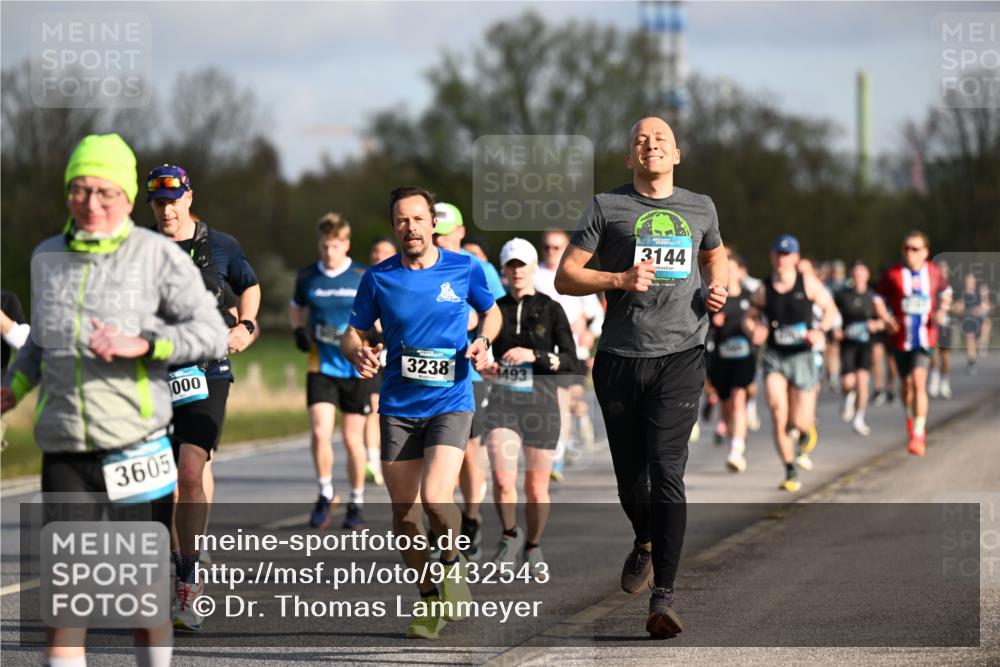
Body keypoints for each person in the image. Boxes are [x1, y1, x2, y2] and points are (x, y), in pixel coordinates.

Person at [1, 133, 228, 667]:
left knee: (142, 604)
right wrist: (14, 386)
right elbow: (42, 339)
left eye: (105, 191)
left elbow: (211, 333)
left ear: (127, 197)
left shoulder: (155, 255)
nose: (92, 202)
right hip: (65, 448)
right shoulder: (47, 255)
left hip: (138, 448)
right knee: (65, 606)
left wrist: (146, 344)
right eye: (80, 190)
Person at [555, 117, 728, 639]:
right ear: (630, 158)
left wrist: (717, 288)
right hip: (621, 357)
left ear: (677, 154)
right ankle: (645, 539)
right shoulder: (607, 207)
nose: (650, 145)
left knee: (667, 469)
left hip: (682, 355)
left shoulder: (701, 206)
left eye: (660, 140)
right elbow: (567, 275)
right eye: (640, 141)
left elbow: (715, 254)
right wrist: (619, 278)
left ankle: (666, 596)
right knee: (632, 480)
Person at [342, 186, 501, 639]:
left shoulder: (463, 267)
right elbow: (352, 333)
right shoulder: (378, 278)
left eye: (418, 219)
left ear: (433, 223)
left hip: (450, 400)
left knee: (436, 498)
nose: (410, 228)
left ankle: (452, 562)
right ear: (394, 227)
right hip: (397, 406)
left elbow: (491, 315)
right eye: (401, 221)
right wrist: (359, 353)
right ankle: (429, 598)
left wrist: (484, 342)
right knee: (405, 516)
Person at [146, 164, 261, 632]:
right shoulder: (139, 249)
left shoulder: (221, 245)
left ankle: (187, 585)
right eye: (158, 200)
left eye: (173, 198)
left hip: (207, 371)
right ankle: (178, 561)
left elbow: (249, 286)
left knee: (190, 468)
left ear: (189, 198)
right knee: (162, 485)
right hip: (153, 375)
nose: (166, 207)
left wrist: (246, 327)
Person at [482, 238, 576, 576]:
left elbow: (570, 361)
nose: (517, 271)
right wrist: (487, 368)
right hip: (504, 403)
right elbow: (482, 351)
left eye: (522, 265)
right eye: (511, 266)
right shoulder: (494, 309)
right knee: (504, 479)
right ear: (504, 271)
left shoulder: (551, 308)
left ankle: (533, 544)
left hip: (541, 404)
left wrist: (532, 355)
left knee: (536, 490)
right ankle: (509, 535)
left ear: (534, 268)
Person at [432, 202, 507, 560]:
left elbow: (498, 313)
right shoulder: (421, 266)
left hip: (469, 373)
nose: (439, 240)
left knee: (467, 453)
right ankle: (442, 522)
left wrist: (484, 340)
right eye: (435, 234)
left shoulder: (480, 268)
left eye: (445, 233)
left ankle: (471, 520)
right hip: (427, 373)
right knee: (434, 455)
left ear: (461, 232)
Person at [290, 213, 370, 531]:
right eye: (324, 245)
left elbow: (376, 312)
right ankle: (325, 492)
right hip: (320, 364)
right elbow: (296, 305)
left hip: (355, 366)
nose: (329, 252)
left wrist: (377, 337)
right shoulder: (308, 276)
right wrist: (297, 328)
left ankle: (357, 499)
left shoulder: (361, 275)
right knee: (321, 431)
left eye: (335, 246)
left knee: (352, 439)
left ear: (346, 245)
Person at [753, 235, 837, 492]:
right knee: (779, 413)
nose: (782, 258)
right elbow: (750, 316)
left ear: (796, 258)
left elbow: (830, 309)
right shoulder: (764, 288)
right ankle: (790, 469)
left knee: (799, 421)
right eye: (778, 253)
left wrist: (820, 331)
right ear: (772, 256)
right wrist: (754, 329)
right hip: (775, 357)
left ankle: (805, 430)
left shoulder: (807, 283)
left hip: (802, 356)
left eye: (787, 254)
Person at [533, 228, 604, 479]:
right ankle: (564, 443)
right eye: (547, 247)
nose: (551, 252)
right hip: (541, 352)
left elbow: (597, 316)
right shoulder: (534, 275)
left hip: (573, 351)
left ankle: (559, 454)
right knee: (554, 403)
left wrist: (589, 332)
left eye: (557, 248)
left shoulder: (576, 274)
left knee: (567, 400)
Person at [876, 231, 951, 457]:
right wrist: (886, 319)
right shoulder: (893, 274)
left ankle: (919, 434)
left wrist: (942, 311)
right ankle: (911, 417)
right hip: (900, 339)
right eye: (907, 248)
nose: (910, 252)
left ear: (926, 252)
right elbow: (877, 298)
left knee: (919, 382)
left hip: (925, 338)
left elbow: (946, 292)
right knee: (906, 386)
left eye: (915, 249)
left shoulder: (934, 272)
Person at [706, 255, 758, 472]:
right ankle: (733, 439)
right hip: (720, 360)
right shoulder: (716, 298)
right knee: (726, 408)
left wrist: (757, 331)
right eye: (727, 270)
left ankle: (737, 450)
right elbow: (702, 328)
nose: (730, 273)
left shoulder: (750, 298)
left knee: (738, 399)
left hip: (745, 359)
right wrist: (713, 322)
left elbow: (761, 321)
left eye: (734, 269)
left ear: (741, 271)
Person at [833, 261, 891, 436]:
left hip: (865, 345)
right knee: (848, 382)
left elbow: (885, 320)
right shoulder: (843, 296)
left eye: (861, 273)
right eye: (855, 274)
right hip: (848, 345)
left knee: (863, 381)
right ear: (852, 276)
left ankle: (859, 418)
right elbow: (833, 314)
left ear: (866, 276)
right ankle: (848, 397)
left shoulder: (874, 297)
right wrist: (836, 330)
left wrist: (877, 324)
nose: (858, 277)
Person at [363, 236, 398, 486]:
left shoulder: (402, 284)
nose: (379, 255)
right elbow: (355, 326)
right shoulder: (366, 283)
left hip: (400, 362)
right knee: (374, 410)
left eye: (385, 252)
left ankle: (394, 455)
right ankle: (373, 461)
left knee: (392, 412)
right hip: (375, 360)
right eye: (376, 251)